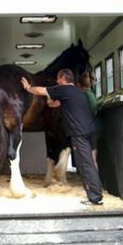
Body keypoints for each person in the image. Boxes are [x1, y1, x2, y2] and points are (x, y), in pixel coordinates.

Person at [21, 69, 103, 205]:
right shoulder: (77, 92)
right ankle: (96, 195)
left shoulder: (64, 90)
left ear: (63, 79)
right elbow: (53, 104)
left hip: (79, 133)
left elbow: (40, 90)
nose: (57, 82)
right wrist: (49, 96)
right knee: (91, 163)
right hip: (90, 131)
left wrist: (28, 87)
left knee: (86, 165)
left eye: (58, 80)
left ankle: (95, 198)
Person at [78, 72, 99, 171]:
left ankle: (89, 182)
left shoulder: (80, 96)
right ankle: (96, 181)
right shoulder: (92, 95)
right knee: (93, 158)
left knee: (84, 159)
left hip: (83, 130)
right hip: (94, 129)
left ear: (78, 85)